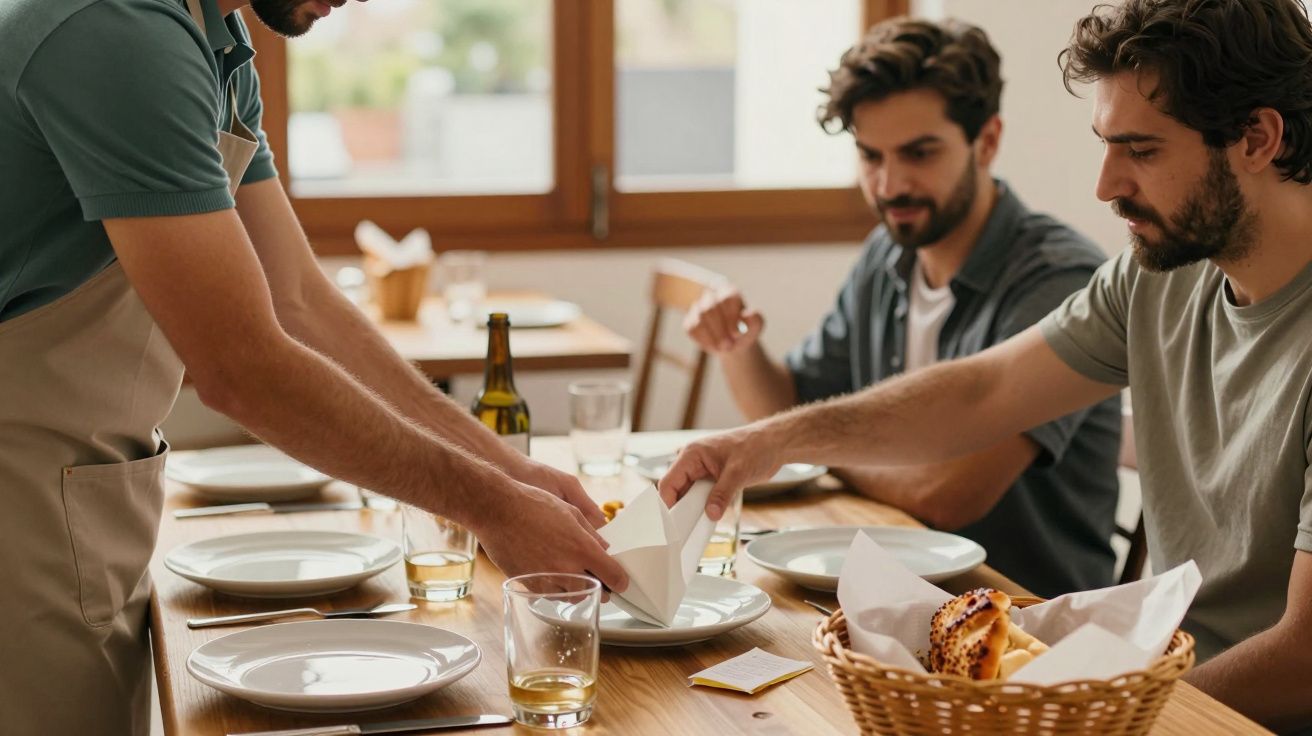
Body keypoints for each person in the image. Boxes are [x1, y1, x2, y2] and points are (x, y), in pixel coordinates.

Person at [663, 0, 1312, 730]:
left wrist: (1120, 719)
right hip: (1148, 693)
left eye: (1142, 150)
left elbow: (1305, 657)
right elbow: (983, 390)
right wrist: (766, 442)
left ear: (1258, 137)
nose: (1106, 185)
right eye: (1106, 144)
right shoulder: (1159, 274)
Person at [0, 1, 625, 733]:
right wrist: (489, 504)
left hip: (84, 488)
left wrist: (508, 473)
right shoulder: (116, 29)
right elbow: (242, 367)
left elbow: (301, 302)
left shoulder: (218, 40)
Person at [682, 17, 1121, 599]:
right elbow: (788, 407)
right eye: (870, 156)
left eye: (919, 153)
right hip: (890, 593)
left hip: (1024, 621)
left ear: (986, 140)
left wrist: (813, 448)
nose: (889, 185)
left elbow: (945, 491)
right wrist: (736, 348)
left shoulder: (1058, 277)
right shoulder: (888, 254)